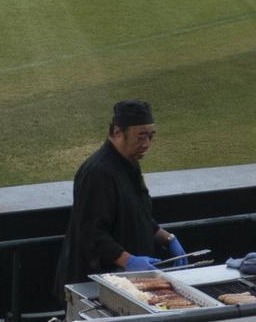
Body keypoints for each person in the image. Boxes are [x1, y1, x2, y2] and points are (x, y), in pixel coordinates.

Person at [56, 100, 180, 296]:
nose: (146, 144)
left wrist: (168, 238)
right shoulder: (98, 172)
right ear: (117, 132)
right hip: (95, 285)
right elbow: (91, 232)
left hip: (128, 283)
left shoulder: (130, 161)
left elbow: (138, 214)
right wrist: (129, 261)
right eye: (140, 136)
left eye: (150, 136)